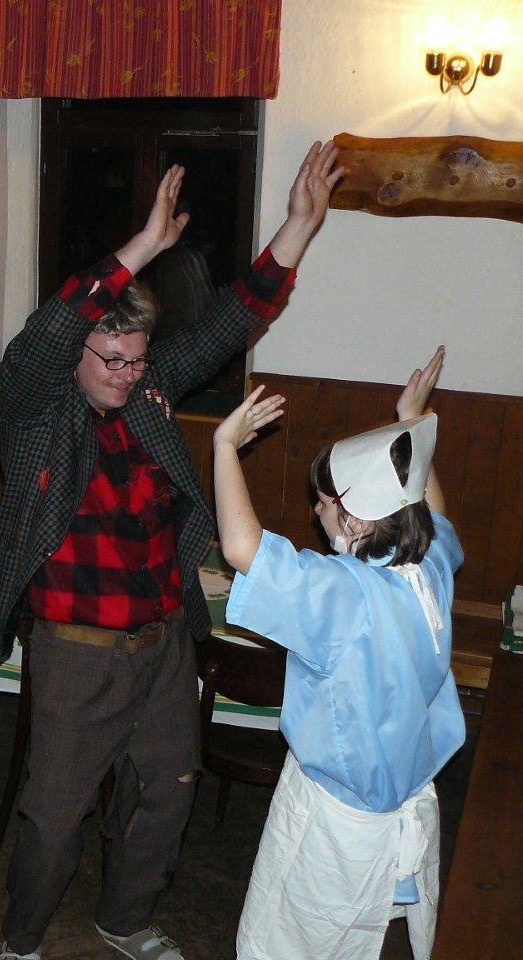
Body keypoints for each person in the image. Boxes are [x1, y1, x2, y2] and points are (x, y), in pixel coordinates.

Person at [0, 141, 344, 960]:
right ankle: (22, 942)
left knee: (169, 793)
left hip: (161, 643)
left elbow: (229, 320)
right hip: (77, 651)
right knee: (55, 814)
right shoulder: (34, 409)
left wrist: (297, 227)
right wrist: (146, 244)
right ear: (78, 356)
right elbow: (50, 331)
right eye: (110, 359)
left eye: (138, 359)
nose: (127, 373)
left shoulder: (146, 391)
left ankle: (124, 918)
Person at [213, 347, 462, 960]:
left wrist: (224, 448)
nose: (315, 511)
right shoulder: (429, 567)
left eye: (323, 503)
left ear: (354, 519)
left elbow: (243, 549)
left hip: (338, 820)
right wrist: (411, 422)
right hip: (404, 798)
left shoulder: (345, 595)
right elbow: (435, 512)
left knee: (292, 944)